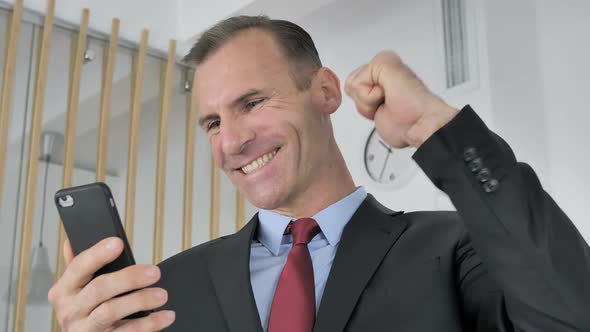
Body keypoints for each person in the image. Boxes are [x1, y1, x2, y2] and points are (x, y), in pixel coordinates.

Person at [48, 15, 590, 331]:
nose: (232, 141)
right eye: (212, 122)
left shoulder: (455, 248)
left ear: (325, 91)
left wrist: (434, 126)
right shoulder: (167, 290)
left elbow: (571, 315)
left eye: (253, 102)